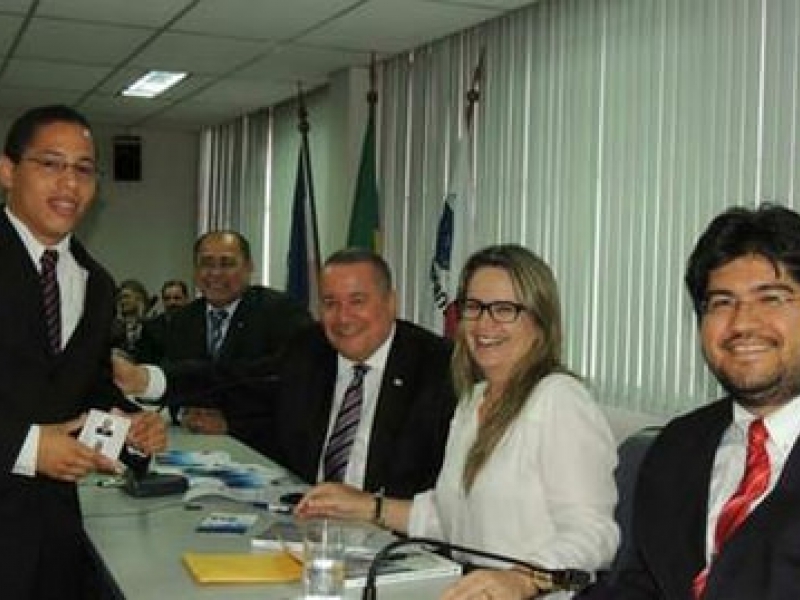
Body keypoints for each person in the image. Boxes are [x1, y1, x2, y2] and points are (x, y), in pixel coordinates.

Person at [296, 244, 619, 599]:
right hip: (465, 587)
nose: (484, 324)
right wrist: (369, 506)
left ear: (539, 321)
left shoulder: (559, 399)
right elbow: (451, 518)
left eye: (504, 310)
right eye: (474, 307)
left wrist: (522, 579)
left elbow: (596, 533)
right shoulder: (474, 399)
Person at [114, 248, 457, 497]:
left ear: (391, 302)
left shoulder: (439, 367)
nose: (342, 318)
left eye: (357, 301)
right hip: (308, 522)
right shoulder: (310, 349)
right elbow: (232, 378)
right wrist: (144, 379)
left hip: (392, 538)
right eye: (330, 303)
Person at [585, 204, 800, 600]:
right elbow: (640, 586)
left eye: (771, 298)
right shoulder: (678, 444)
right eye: (721, 302)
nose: (742, 323)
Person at [0, 104, 167, 599]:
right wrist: (28, 447)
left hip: (53, 540)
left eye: (84, 169)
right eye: (50, 164)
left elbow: (85, 390)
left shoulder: (97, 283)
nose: (69, 183)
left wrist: (129, 428)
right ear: (7, 171)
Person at [154, 229, 312, 440]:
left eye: (227, 264)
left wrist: (232, 425)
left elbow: (292, 392)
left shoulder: (281, 313)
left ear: (249, 267)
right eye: (206, 264)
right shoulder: (183, 319)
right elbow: (172, 380)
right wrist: (183, 413)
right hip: (193, 440)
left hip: (260, 446)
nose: (215, 273)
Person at [135, 279, 189, 363]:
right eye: (167, 299)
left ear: (186, 299)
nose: (172, 302)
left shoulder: (197, 325)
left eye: (177, 298)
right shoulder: (150, 328)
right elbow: (145, 361)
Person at [110, 278, 152, 357]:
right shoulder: (114, 326)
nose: (122, 301)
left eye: (126, 297)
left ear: (139, 298)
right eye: (120, 298)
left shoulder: (152, 325)